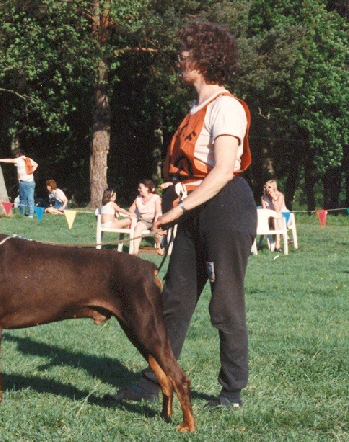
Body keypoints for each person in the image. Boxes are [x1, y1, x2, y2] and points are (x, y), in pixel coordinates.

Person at [110, 20, 256, 410]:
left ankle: (231, 391)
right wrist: (174, 199)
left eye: (186, 52)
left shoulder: (226, 107)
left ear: (205, 58)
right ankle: (155, 379)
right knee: (173, 299)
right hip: (194, 208)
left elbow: (224, 170)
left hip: (225, 208)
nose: (180, 58)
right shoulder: (195, 109)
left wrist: (180, 209)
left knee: (225, 301)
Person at [128, 179, 164, 255]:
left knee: (158, 231)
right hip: (144, 220)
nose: (138, 189)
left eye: (140, 188)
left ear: (147, 188)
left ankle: (158, 246)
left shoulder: (156, 197)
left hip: (154, 219)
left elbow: (158, 211)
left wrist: (156, 222)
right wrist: (132, 213)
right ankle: (135, 251)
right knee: (138, 228)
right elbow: (131, 208)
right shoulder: (138, 198)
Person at [0, 149, 38, 218]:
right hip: (31, 182)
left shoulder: (19, 160)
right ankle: (31, 214)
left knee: (22, 198)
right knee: (30, 198)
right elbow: (36, 164)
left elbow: (10, 160)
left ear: (18, 155)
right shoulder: (29, 159)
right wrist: (33, 169)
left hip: (23, 182)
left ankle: (22, 213)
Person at [261, 179, 288, 250]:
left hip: (283, 216)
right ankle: (279, 243)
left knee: (276, 217)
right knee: (273, 218)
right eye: (265, 187)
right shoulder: (263, 197)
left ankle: (277, 244)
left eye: (269, 187)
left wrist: (274, 199)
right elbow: (264, 211)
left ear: (274, 188)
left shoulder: (280, 196)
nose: (266, 189)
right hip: (271, 217)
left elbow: (278, 210)